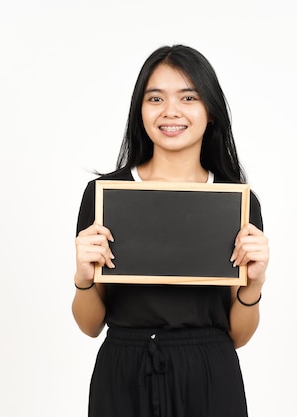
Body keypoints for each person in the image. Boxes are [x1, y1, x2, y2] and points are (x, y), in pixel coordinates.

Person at [72, 44, 269, 417]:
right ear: (140, 111)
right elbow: (89, 325)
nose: (171, 111)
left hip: (209, 374)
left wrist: (254, 285)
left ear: (210, 110)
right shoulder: (104, 197)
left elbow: (238, 335)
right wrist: (82, 276)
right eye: (155, 98)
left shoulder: (237, 202)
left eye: (188, 97)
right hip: (123, 373)